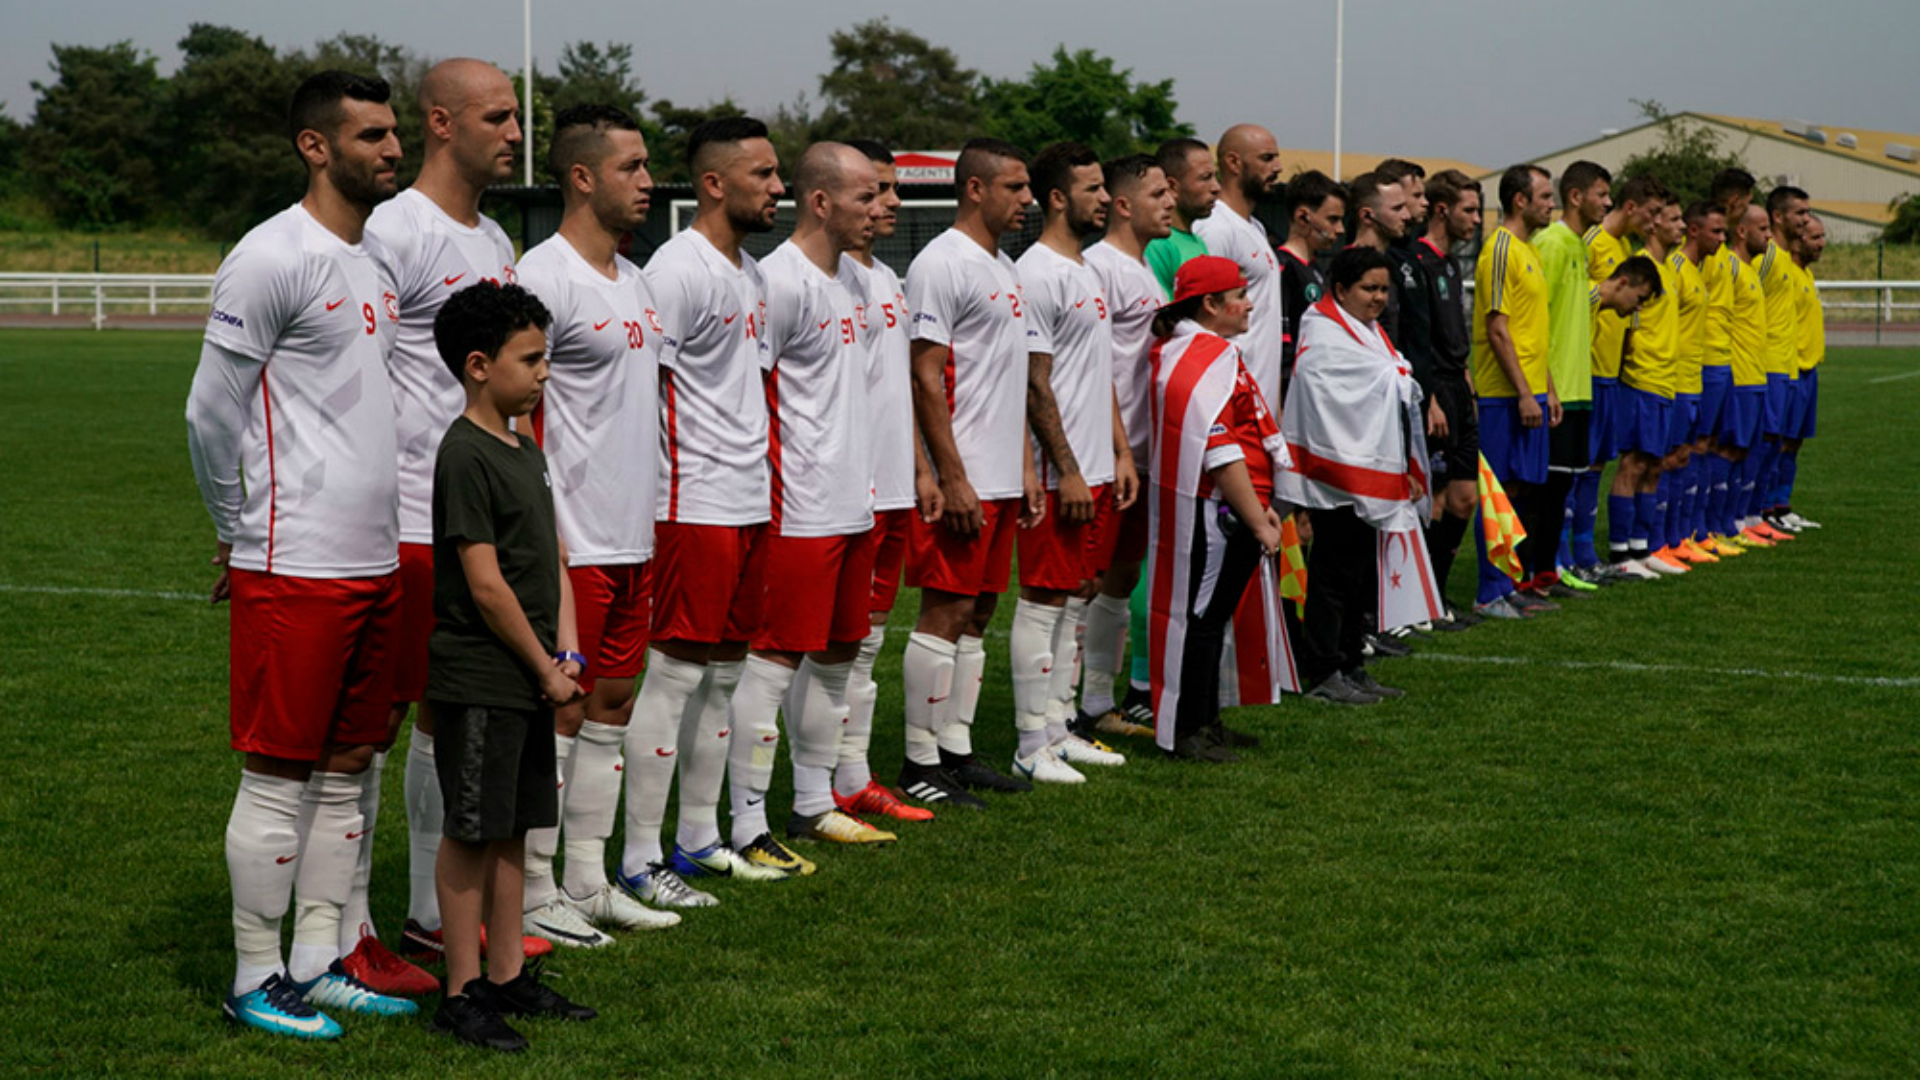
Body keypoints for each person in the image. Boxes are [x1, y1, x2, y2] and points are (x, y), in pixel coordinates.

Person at [188, 69, 416, 1039]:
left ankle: (319, 962)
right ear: (314, 147)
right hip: (296, 561)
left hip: (375, 559)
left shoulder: (377, 261)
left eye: (393, 133)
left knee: (351, 760)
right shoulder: (269, 256)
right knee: (280, 771)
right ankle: (254, 976)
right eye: (370, 136)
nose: (392, 149)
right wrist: (237, 527)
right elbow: (209, 413)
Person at [360, 57, 523, 989]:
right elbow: (365, 373)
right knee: (383, 724)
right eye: (497, 117)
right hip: (409, 523)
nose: (515, 134)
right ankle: (355, 927)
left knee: (447, 714)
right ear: (440, 122)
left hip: (476, 525)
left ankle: (430, 913)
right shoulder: (397, 230)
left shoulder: (494, 239)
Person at [511, 104, 681, 947]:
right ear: (581, 177)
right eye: (631, 167)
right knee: (562, 711)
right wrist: (542, 533)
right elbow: (514, 414)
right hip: (571, 538)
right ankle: (535, 889)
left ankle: (588, 879)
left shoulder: (637, 278)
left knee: (611, 705)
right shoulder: (541, 276)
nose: (648, 181)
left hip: (633, 533)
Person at [615, 117, 789, 904]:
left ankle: (698, 839)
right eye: (763, 175)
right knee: (677, 676)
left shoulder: (750, 273)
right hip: (692, 502)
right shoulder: (677, 271)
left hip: (747, 499)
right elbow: (644, 389)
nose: (777, 188)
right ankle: (638, 857)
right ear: (713, 184)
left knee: (723, 679)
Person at [425, 281, 598, 1051]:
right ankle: (461, 991)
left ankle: (506, 973)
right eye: (529, 360)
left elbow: (553, 556)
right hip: (483, 676)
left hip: (531, 675)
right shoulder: (464, 454)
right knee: (472, 830)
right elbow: (486, 584)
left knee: (514, 828)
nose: (543, 373)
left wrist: (568, 650)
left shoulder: (525, 447)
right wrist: (544, 668)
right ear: (478, 366)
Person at [726, 142, 898, 851]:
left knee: (841, 653)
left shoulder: (855, 281)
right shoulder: (779, 281)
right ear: (821, 202)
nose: (878, 209)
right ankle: (745, 821)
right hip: (799, 510)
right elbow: (754, 397)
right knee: (773, 661)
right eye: (865, 196)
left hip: (853, 501)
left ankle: (814, 801)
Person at [899, 138, 1040, 805]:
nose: (1028, 199)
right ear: (976, 189)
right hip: (966, 475)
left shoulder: (1004, 266)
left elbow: (1007, 378)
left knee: (980, 611)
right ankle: (918, 761)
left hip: (1002, 476)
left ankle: (956, 749)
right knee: (946, 609)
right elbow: (924, 375)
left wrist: (1025, 467)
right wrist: (952, 476)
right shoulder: (940, 263)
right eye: (1016, 187)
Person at [1010, 142, 1137, 782]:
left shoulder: (1085, 269)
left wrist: (1119, 450)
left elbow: (1099, 370)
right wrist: (1066, 470)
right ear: (1057, 198)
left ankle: (1060, 728)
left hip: (1095, 467)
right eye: (1092, 189)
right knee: (1043, 598)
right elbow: (1035, 384)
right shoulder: (1037, 273)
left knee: (1075, 597)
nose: (1105, 199)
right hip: (1061, 472)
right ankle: (1030, 742)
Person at [1276, 245, 1436, 703]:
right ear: (1341, 289)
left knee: (1360, 572)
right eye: (1369, 288)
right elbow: (1325, 398)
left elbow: (1378, 387)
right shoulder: (1322, 333)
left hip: (1371, 466)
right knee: (1333, 572)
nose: (1379, 297)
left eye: (1384, 289)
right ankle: (1324, 670)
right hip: (1337, 474)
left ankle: (1350, 662)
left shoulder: (1367, 331)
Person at [1144, 256, 1288, 760]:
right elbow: (1220, 450)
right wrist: (1256, 519)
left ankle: (1205, 719)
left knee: (1212, 616)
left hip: (1229, 508)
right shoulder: (1201, 357)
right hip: (1216, 512)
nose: (1249, 304)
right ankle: (1189, 729)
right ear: (1210, 304)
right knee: (1202, 618)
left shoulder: (1205, 353)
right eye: (1239, 295)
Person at [834, 139, 938, 824]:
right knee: (832, 646)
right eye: (876, 190)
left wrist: (920, 468)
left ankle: (854, 776)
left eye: (893, 189)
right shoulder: (823, 277)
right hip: (849, 491)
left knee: (868, 642)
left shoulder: (888, 279)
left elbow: (895, 385)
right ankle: (823, 783)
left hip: (894, 486)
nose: (891, 203)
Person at [1080, 153, 1175, 739]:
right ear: (1122, 205)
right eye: (1158, 193)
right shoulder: (1099, 267)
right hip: (1105, 454)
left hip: (1141, 454)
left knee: (1120, 577)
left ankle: (1096, 702)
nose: (1170, 202)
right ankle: (1055, 716)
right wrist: (1116, 447)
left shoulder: (1144, 268)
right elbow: (1094, 368)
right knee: (1084, 582)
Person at [1469, 164, 1560, 619]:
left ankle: (1509, 582)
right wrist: (1524, 393)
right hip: (1502, 394)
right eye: (1544, 196)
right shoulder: (1500, 250)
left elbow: (1532, 332)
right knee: (1499, 490)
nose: (1551, 205)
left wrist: (1548, 390)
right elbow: (1498, 329)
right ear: (1520, 200)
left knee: (1522, 488)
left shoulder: (1530, 251)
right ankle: (1489, 591)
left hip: (1529, 391)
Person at [1529, 160, 1611, 594]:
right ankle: (1532, 574)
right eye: (1602, 193)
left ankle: (1549, 572)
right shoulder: (1551, 243)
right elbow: (1533, 320)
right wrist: (1547, 386)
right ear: (1576, 196)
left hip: (1579, 388)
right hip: (1556, 388)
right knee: (1545, 487)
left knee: (1562, 485)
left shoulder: (1578, 245)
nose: (1608, 202)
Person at [1410, 169, 1482, 625]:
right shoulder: (1417, 262)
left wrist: (1468, 383)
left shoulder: (1452, 265)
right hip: (1435, 389)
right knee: (1434, 498)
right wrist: (1432, 397)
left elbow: (1455, 335)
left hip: (1459, 387)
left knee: (1464, 497)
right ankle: (1421, 601)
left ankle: (1436, 593)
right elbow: (1419, 340)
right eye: (1468, 210)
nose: (1476, 219)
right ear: (1442, 210)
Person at [1587, 174, 1668, 579]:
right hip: (1585, 372)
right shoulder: (1591, 241)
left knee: (1597, 466)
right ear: (1632, 207)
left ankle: (1591, 553)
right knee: (1583, 468)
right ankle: (1580, 554)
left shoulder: (1623, 250)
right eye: (1652, 213)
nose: (1655, 223)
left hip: (1611, 373)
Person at [1610, 195, 1690, 576]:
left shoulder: (1670, 269)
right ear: (1654, 223)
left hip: (1666, 381)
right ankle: (1619, 552)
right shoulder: (1640, 266)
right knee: (1633, 462)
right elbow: (1627, 325)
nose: (1682, 227)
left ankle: (1641, 546)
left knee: (1655, 464)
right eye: (1674, 219)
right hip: (1641, 378)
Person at [1192, 125, 1285, 416]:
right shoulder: (1215, 228)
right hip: (1232, 404)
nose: (1278, 168)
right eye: (1267, 158)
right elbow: (1205, 323)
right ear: (1233, 162)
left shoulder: (1255, 228)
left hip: (1261, 405)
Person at [1742, 185, 1810, 544]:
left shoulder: (1784, 259)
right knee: (1762, 442)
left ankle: (1762, 512)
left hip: (1786, 366)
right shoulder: (1766, 257)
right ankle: (1747, 514)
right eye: (1800, 213)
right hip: (1765, 364)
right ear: (1779, 216)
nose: (1806, 220)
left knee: (1775, 443)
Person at [1664, 200, 1731, 565]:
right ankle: (1661, 540)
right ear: (1694, 230)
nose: (1721, 238)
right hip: (1674, 380)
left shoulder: (1696, 270)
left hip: (1694, 378)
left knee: (1687, 455)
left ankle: (1681, 536)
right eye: (1716, 231)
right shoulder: (1675, 268)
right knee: (1667, 459)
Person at [1694, 169, 1756, 557]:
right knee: (1696, 447)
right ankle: (1690, 530)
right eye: (1747, 202)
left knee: (1714, 445)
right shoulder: (1702, 252)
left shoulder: (1722, 255)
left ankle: (1709, 526)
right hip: (1702, 361)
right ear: (1735, 201)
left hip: (1722, 360)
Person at [1717, 202, 1773, 548]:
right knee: (1728, 450)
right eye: (1763, 229)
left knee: (1746, 451)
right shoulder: (1730, 267)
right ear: (1742, 231)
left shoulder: (1751, 270)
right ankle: (1721, 523)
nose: (1769, 236)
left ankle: (1737, 520)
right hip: (1738, 376)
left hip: (1756, 374)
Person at [1772, 214, 1827, 530]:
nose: (1821, 244)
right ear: (1797, 240)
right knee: (1779, 441)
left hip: (1809, 369)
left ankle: (1783, 505)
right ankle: (1767, 508)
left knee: (1794, 441)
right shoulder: (1786, 273)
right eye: (1815, 237)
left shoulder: (1805, 273)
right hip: (1790, 367)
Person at [1275, 170, 1346, 393]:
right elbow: (1281, 341)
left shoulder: (1315, 269)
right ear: (1303, 217)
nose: (1340, 229)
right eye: (1332, 219)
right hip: (1293, 388)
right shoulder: (1282, 267)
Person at [1144, 137, 1218, 295]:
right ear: (1172, 186)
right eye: (1205, 178)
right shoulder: (1158, 245)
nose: (1216, 187)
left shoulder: (1197, 241)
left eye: (1215, 177)